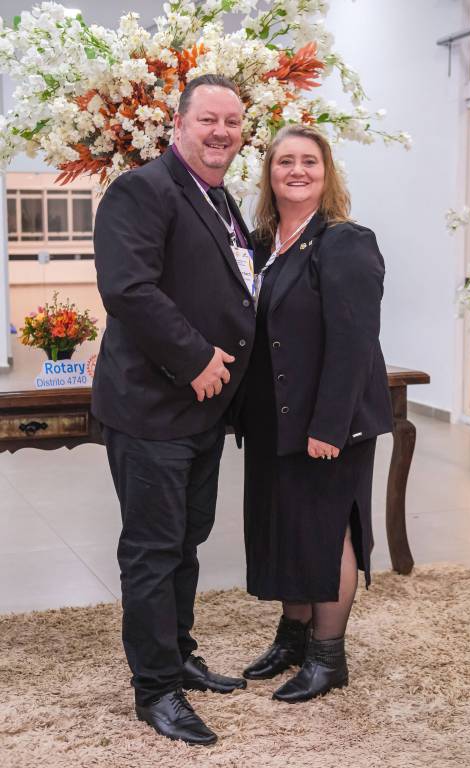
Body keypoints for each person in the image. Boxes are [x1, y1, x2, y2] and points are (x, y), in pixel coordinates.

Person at [92, 74, 256, 746]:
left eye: (233, 122)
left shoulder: (221, 199)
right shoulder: (142, 189)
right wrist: (193, 359)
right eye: (208, 119)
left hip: (204, 410)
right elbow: (128, 289)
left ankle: (179, 653)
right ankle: (155, 688)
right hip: (152, 406)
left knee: (186, 541)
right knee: (153, 550)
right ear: (178, 125)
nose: (221, 132)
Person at [238, 124, 393, 703]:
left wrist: (330, 425)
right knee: (286, 529)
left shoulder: (345, 242)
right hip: (274, 419)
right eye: (285, 161)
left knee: (325, 533)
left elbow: (354, 342)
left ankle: (329, 657)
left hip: (329, 421)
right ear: (269, 174)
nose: (297, 170)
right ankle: (293, 638)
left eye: (310, 161)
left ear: (327, 174)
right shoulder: (261, 244)